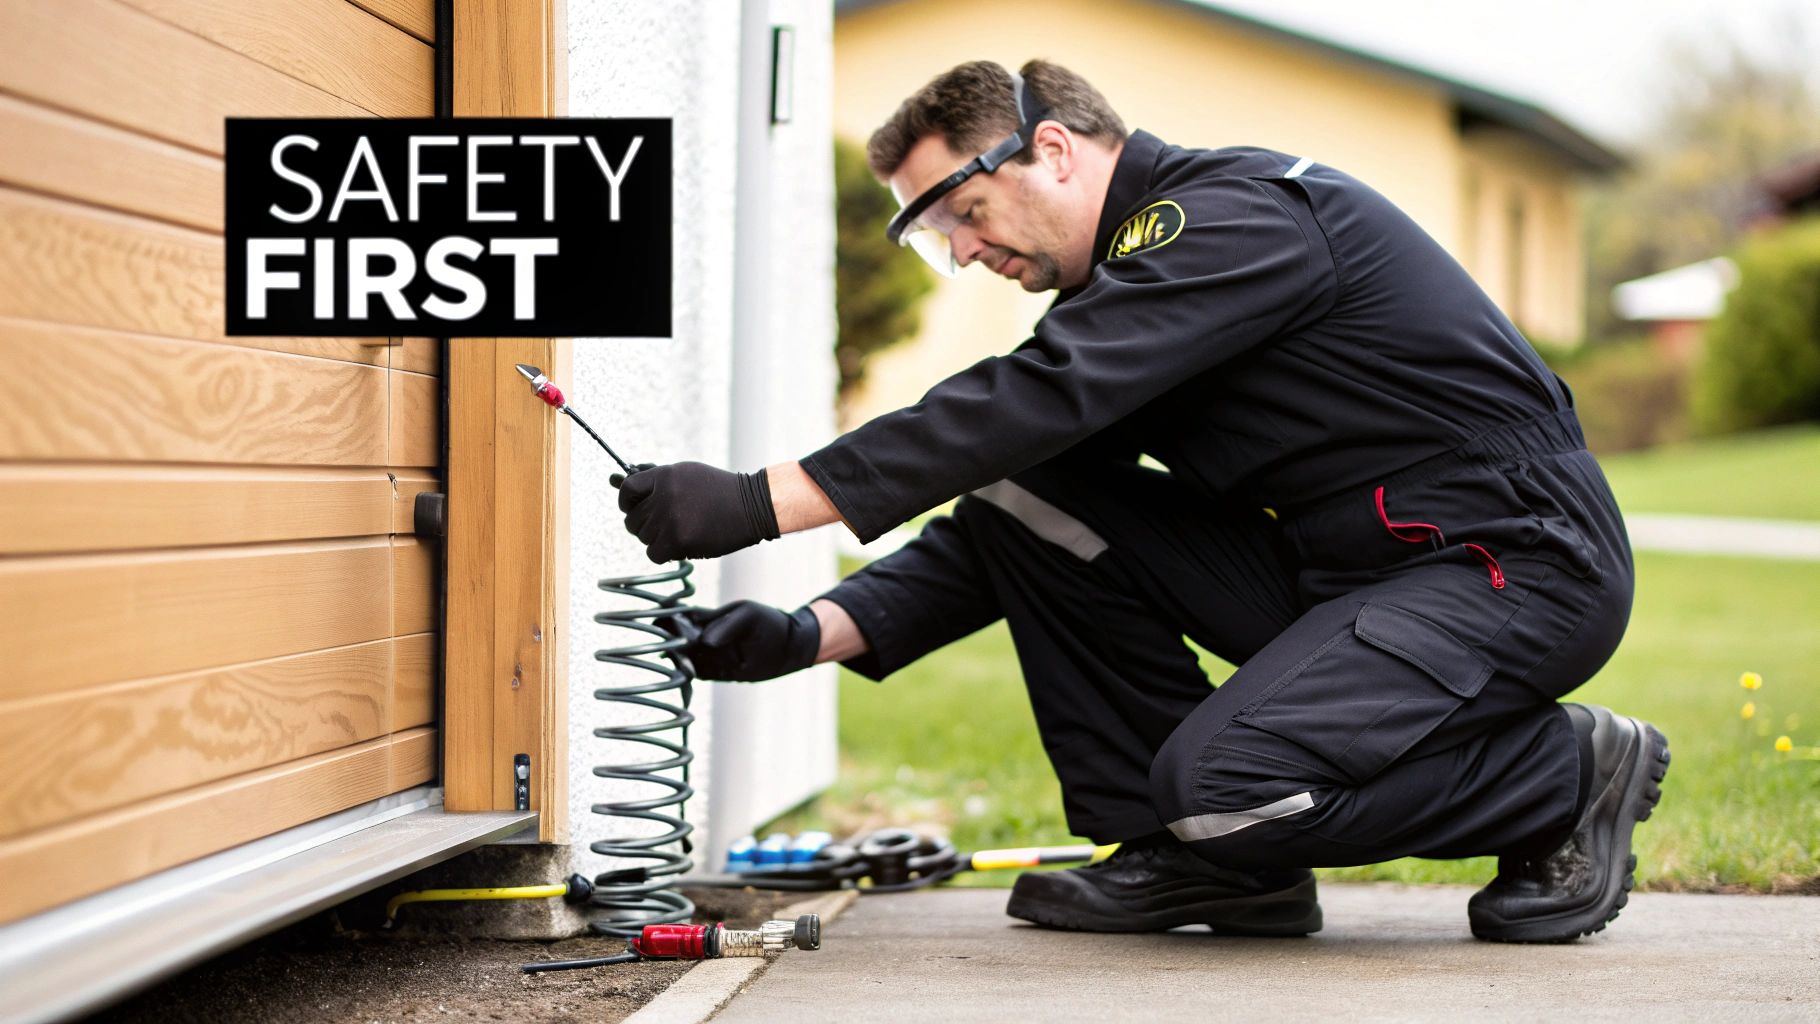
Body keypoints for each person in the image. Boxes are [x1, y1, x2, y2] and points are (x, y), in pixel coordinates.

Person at [615, 59, 1669, 942]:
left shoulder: (1230, 222)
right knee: (1033, 485)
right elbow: (1018, 487)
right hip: (1351, 575)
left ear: (1055, 149)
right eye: (940, 235)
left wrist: (761, 500)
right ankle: (1201, 864)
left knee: (1224, 782)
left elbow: (1036, 394)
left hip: (1506, 564)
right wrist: (805, 635)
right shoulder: (1129, 287)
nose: (964, 252)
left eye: (966, 212)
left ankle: (1560, 770)